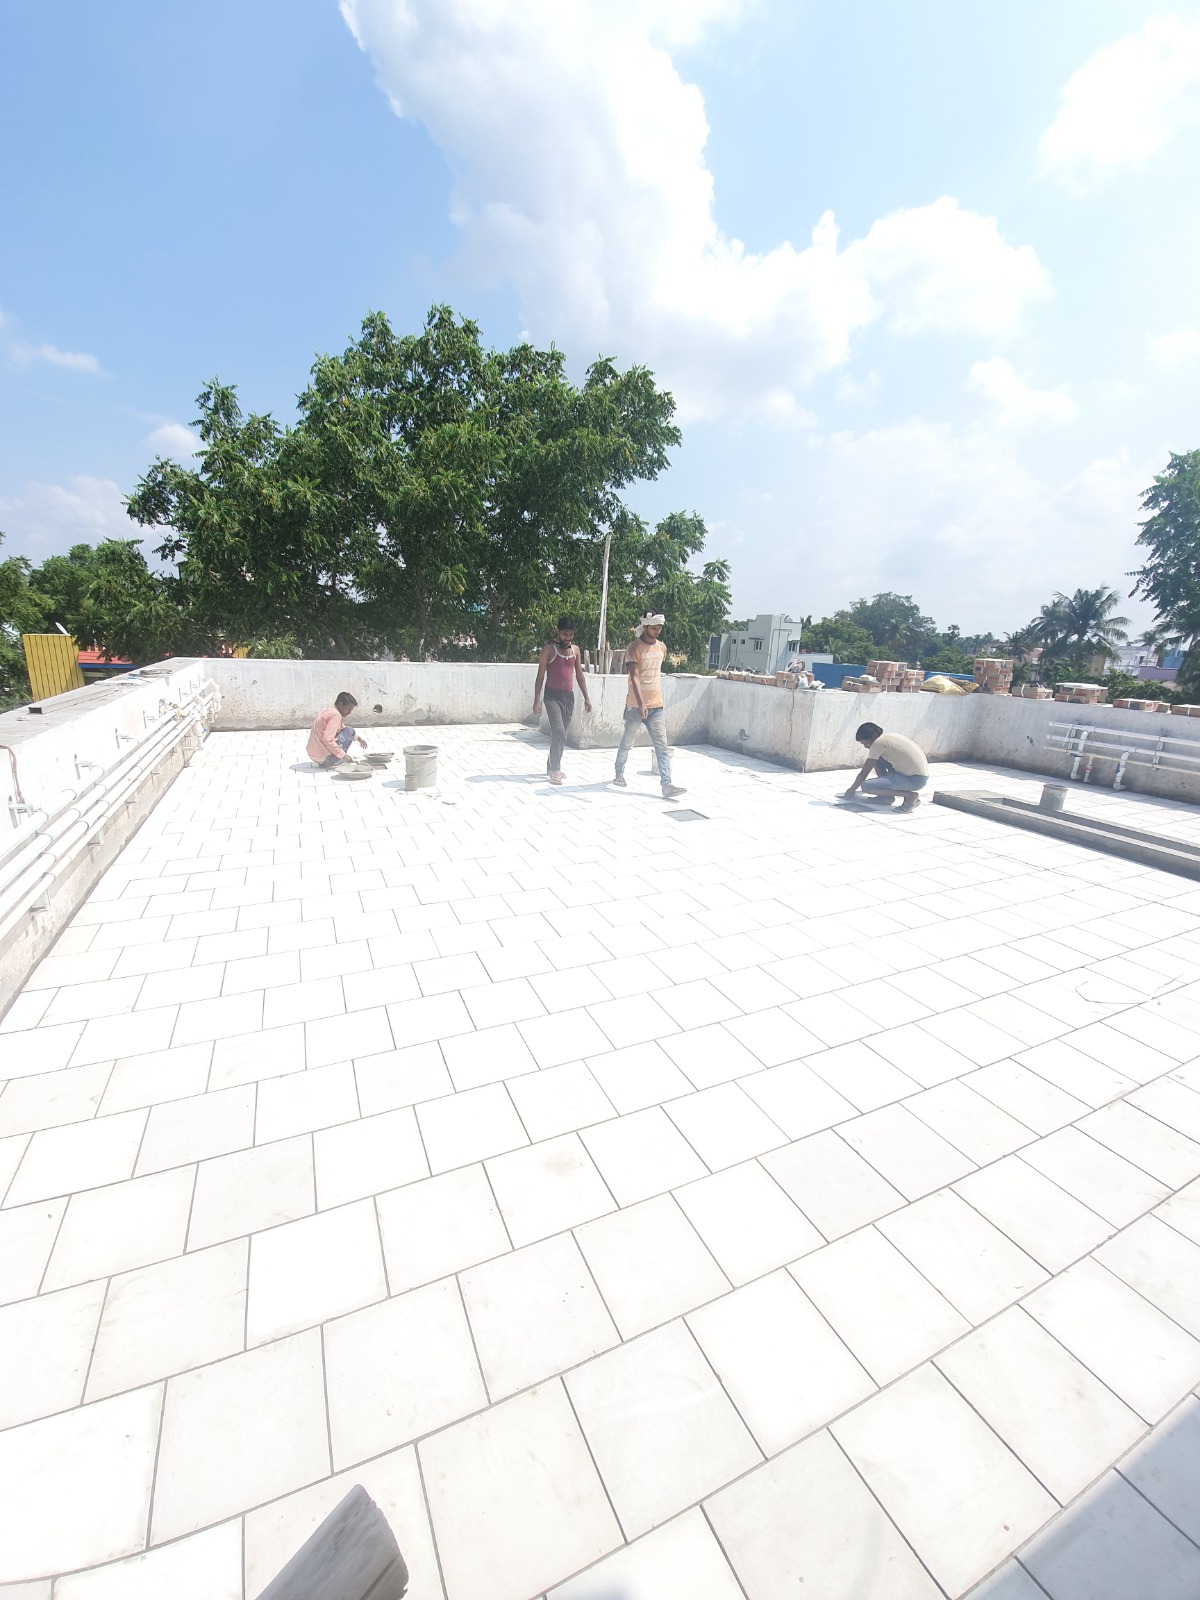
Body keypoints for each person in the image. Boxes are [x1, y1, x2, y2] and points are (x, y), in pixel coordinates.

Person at [613, 610, 686, 799]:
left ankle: (667, 785)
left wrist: (649, 704)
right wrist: (641, 704)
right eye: (654, 628)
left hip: (656, 705)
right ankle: (619, 772)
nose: (657, 631)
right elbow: (634, 677)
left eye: (659, 627)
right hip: (635, 706)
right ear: (645, 627)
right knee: (627, 742)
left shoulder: (662, 647)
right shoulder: (634, 648)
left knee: (662, 747)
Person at [532, 616, 592, 785]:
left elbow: (579, 675)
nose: (568, 638)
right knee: (558, 731)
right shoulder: (548, 651)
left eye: (570, 634)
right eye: (565, 634)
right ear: (558, 632)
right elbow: (540, 676)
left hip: (568, 697)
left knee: (562, 734)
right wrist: (536, 700)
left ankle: (551, 764)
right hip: (552, 696)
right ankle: (555, 769)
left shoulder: (575, 650)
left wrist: (586, 698)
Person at [841, 722, 928, 812]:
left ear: (874, 736)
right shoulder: (888, 738)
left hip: (914, 779)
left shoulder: (878, 743)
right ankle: (885, 797)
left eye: (866, 743)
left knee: (867, 786)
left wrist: (852, 790)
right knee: (877, 759)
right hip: (917, 776)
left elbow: (864, 773)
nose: (865, 746)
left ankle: (910, 796)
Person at [307, 692, 368, 768]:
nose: (350, 713)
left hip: (313, 754)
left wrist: (358, 739)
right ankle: (335, 761)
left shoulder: (327, 710)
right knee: (349, 731)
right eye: (348, 709)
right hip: (324, 758)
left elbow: (341, 727)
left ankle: (328, 759)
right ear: (340, 705)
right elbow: (327, 739)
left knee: (348, 731)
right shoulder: (336, 715)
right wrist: (343, 755)